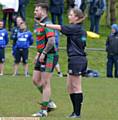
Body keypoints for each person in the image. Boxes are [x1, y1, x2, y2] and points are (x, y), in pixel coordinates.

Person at [37, 8, 87, 118]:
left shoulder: (75, 28)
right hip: (75, 59)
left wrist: (45, 25)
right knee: (69, 87)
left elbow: (59, 27)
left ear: (77, 18)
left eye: (71, 15)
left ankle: (77, 113)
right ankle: (74, 112)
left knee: (76, 86)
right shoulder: (79, 29)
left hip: (77, 59)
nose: (69, 16)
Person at [32, 3, 58, 117]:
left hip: (50, 55)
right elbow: (42, 40)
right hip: (42, 55)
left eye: (36, 10)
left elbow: (51, 41)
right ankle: (50, 102)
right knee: (35, 80)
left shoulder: (48, 24)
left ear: (43, 11)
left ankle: (43, 110)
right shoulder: (39, 24)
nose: (34, 12)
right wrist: (38, 53)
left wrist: (43, 53)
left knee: (46, 82)